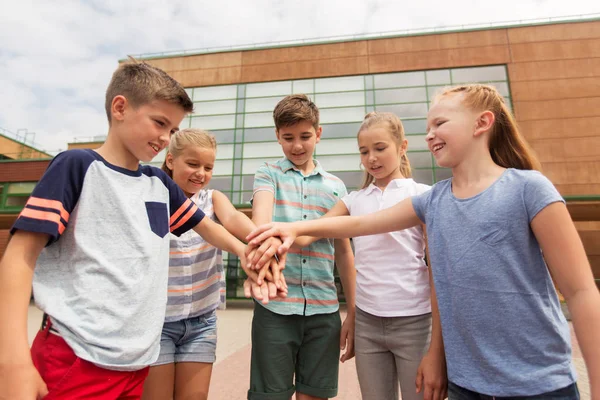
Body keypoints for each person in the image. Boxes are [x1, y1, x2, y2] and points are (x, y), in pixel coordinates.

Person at [247, 84, 600, 399]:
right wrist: (288, 230)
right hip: (467, 383)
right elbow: (361, 223)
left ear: (482, 123)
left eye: (440, 124)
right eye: (427, 127)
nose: (430, 134)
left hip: (539, 384)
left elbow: (582, 292)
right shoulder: (433, 201)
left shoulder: (528, 188)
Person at [0, 61, 275, 400]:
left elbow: (208, 228)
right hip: (75, 357)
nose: (165, 138)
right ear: (120, 107)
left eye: (173, 130)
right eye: (160, 123)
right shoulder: (77, 167)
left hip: (138, 364)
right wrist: (10, 359)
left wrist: (248, 253)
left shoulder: (159, 184)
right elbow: (18, 257)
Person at [142, 128, 286, 400]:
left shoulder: (213, 199)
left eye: (208, 167)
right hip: (158, 322)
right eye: (193, 164)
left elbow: (234, 221)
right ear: (171, 161)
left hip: (201, 322)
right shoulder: (153, 196)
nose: (201, 173)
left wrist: (265, 240)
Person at [246, 94, 356, 400]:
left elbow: (344, 252)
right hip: (276, 308)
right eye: (288, 138)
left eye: (305, 136)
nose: (297, 146)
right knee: (270, 395)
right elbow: (261, 224)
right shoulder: (267, 173)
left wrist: (354, 311)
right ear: (277, 137)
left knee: (316, 395)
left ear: (318, 133)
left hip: (324, 310)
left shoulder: (336, 187)